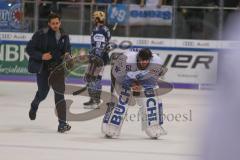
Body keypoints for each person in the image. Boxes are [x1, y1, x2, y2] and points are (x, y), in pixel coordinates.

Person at [102, 48, 168, 139]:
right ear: (138, 58)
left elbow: (152, 83)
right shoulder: (125, 60)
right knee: (121, 100)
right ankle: (110, 124)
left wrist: (139, 84)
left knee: (151, 99)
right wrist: (132, 84)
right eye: (142, 60)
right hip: (122, 77)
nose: (144, 62)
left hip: (144, 80)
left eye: (146, 60)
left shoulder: (156, 63)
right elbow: (118, 78)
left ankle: (153, 126)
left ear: (150, 59)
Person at [26, 13, 71, 133]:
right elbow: (29, 49)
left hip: (58, 70)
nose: (56, 25)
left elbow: (67, 50)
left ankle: (62, 124)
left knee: (60, 96)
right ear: (49, 24)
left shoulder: (64, 36)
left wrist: (67, 55)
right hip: (44, 69)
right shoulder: (40, 34)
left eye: (57, 23)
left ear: (60, 23)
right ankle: (34, 105)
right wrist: (41, 56)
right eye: (53, 23)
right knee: (43, 93)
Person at [83, 11, 111, 109]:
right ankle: (94, 99)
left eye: (94, 17)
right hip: (97, 56)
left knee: (94, 78)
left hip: (99, 58)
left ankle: (96, 100)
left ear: (97, 19)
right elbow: (98, 44)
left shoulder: (100, 30)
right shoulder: (101, 29)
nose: (93, 19)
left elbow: (102, 45)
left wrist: (97, 56)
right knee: (92, 77)